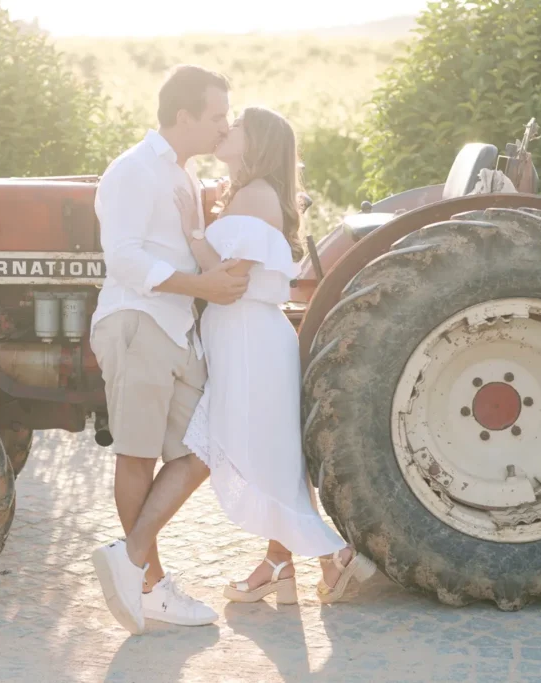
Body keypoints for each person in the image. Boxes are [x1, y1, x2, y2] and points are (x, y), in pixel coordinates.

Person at [177, 106, 377, 605]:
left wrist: (192, 231)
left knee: (259, 454)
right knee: (275, 454)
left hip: (249, 339)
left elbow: (227, 281)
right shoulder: (252, 193)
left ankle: (335, 556)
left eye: (238, 124)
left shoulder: (255, 195)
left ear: (258, 141)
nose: (227, 129)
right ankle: (278, 565)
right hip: (246, 337)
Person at [88, 64, 248, 634]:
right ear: (183, 116)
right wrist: (201, 287)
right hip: (137, 322)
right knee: (137, 455)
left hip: (177, 328)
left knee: (204, 446)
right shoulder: (132, 170)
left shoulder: (181, 177)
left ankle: (131, 560)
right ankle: (151, 586)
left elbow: (189, 249)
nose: (223, 126)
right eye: (216, 116)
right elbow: (124, 258)